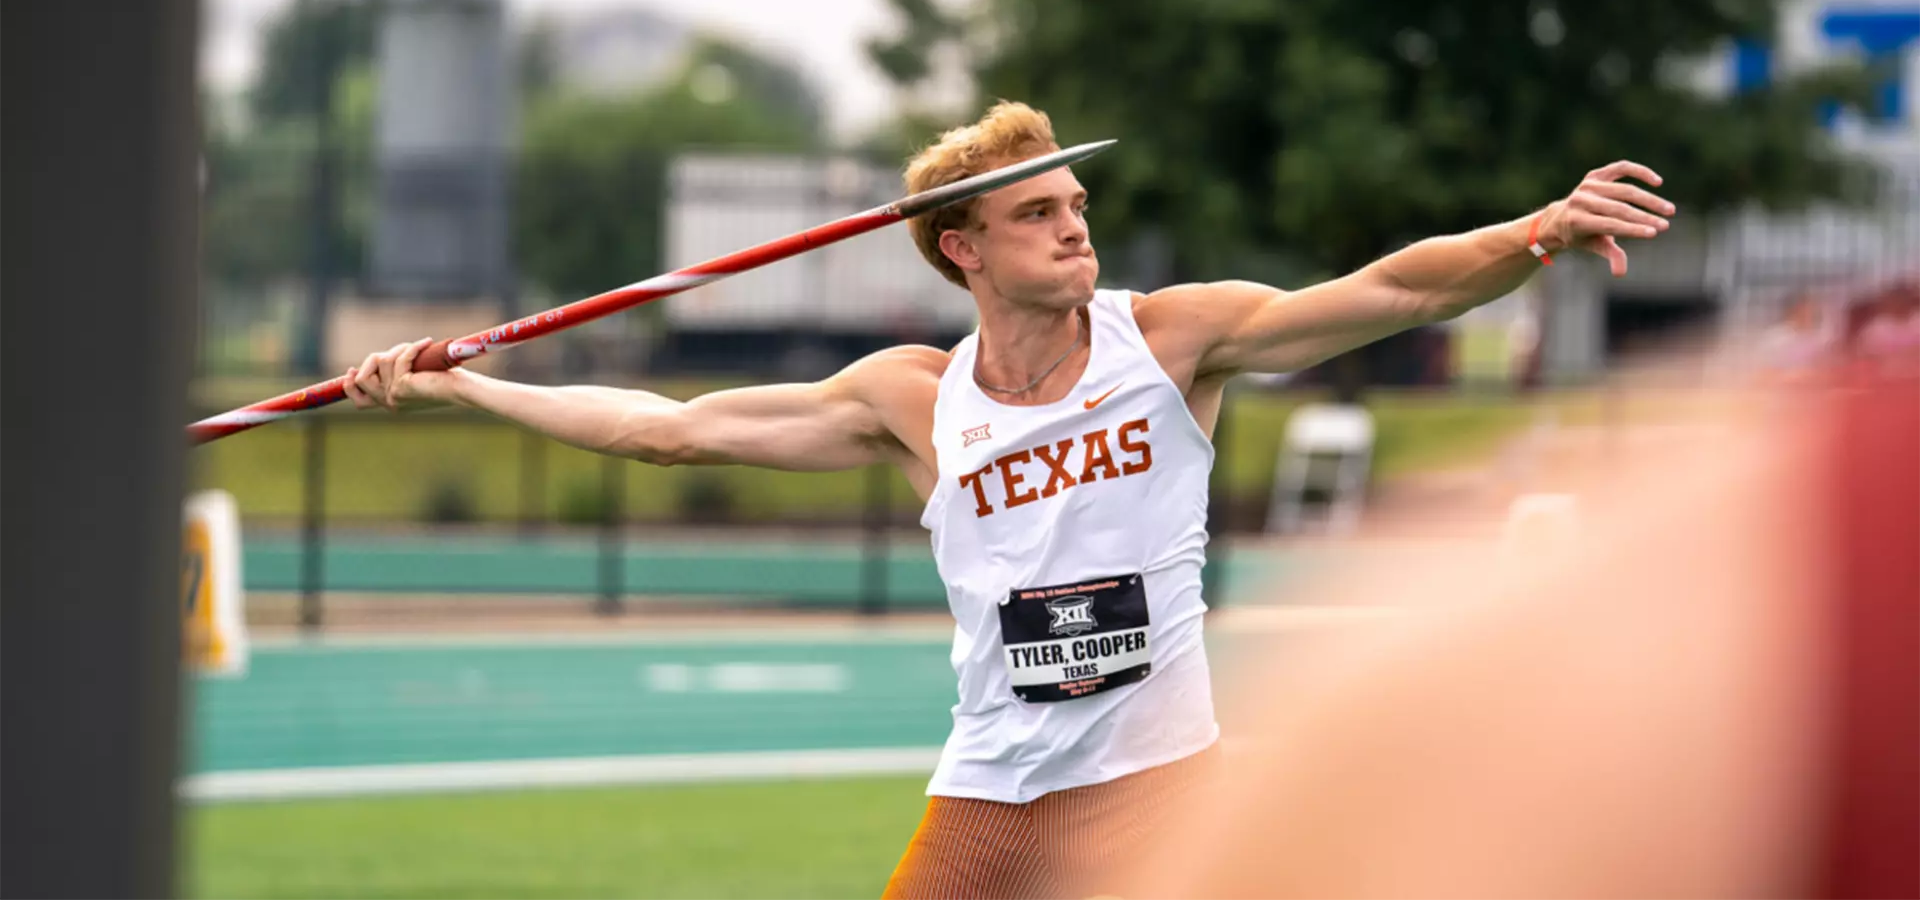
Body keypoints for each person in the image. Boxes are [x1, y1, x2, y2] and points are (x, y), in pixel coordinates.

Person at [340, 101, 1676, 899]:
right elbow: (669, 429)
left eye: (1077, 202)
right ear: (962, 248)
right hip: (995, 792)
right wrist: (469, 390)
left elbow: (1391, 291)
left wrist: (1535, 232)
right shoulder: (914, 398)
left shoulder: (1171, 340)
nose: (1076, 227)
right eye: (1038, 213)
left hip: (1160, 783)